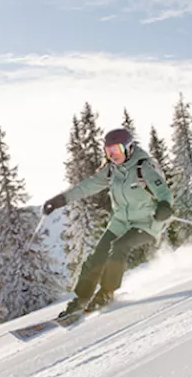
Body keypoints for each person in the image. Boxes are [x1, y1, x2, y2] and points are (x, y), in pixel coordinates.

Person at [42, 127, 174, 317]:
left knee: (119, 247)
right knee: (97, 256)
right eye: (109, 151)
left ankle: (106, 292)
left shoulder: (143, 167)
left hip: (147, 222)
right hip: (121, 221)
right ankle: (81, 299)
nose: (113, 155)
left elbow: (164, 192)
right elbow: (86, 187)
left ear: (128, 148)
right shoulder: (112, 170)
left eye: (117, 150)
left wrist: (164, 206)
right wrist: (59, 200)